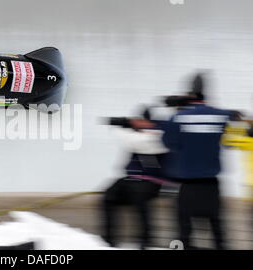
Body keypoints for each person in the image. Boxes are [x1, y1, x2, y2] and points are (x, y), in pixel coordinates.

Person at [161, 72, 239, 250]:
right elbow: (231, 142)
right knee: (218, 231)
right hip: (212, 185)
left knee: (184, 233)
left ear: (189, 94)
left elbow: (168, 143)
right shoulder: (221, 115)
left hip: (188, 186)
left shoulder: (179, 117)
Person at [101, 116, 171, 249]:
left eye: (140, 120)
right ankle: (109, 240)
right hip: (130, 178)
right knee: (109, 195)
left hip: (151, 181)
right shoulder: (136, 134)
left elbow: (139, 142)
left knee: (139, 197)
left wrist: (123, 129)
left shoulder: (159, 134)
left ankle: (145, 240)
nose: (136, 123)